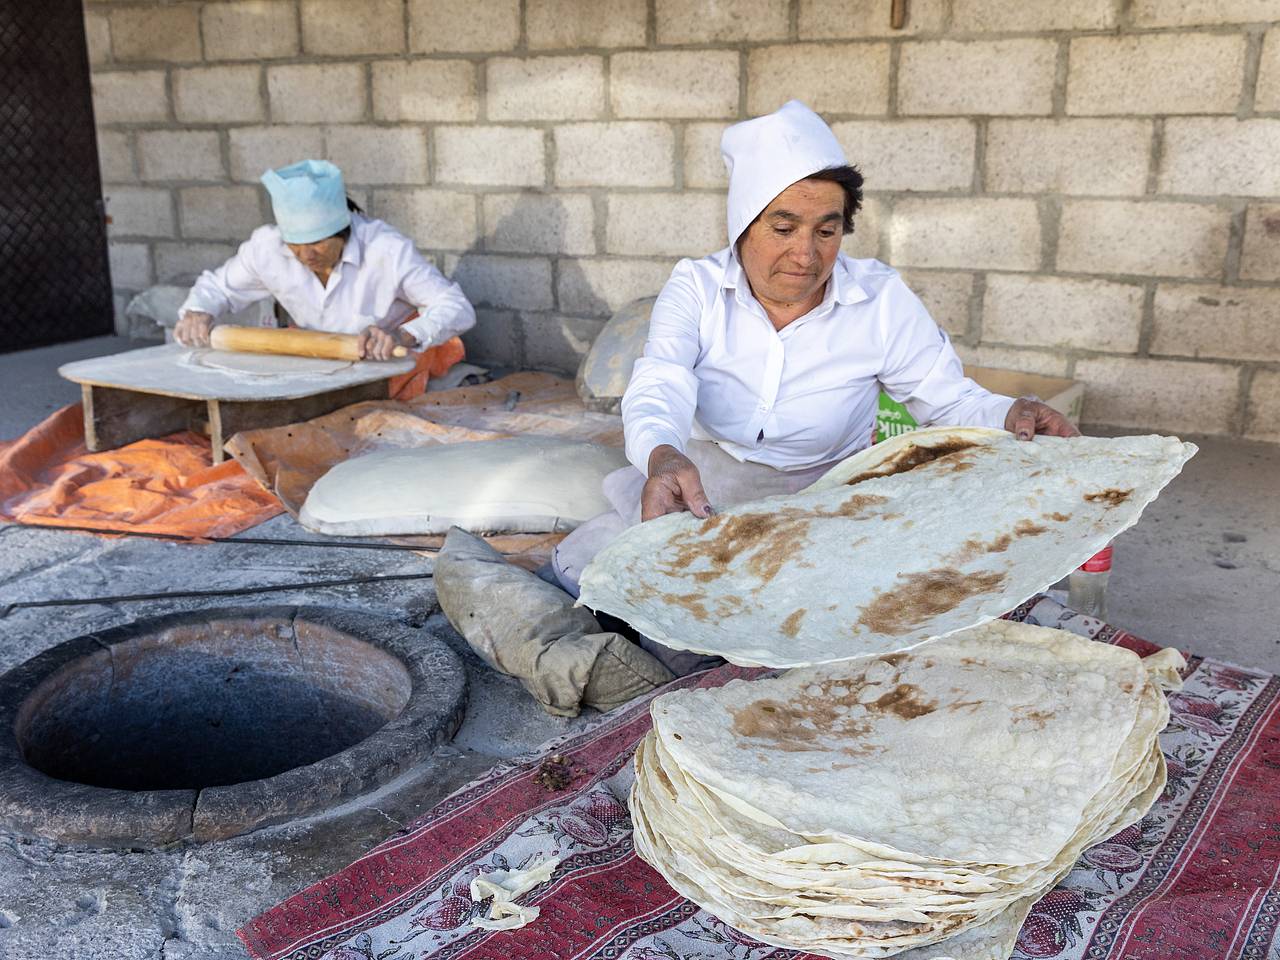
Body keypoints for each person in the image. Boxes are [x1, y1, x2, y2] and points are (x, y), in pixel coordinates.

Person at [433, 100, 1079, 713]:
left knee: (841, 623)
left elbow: (950, 399)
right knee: (596, 576)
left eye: (828, 230)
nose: (807, 254)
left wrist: (1008, 415)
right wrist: (661, 455)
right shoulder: (697, 289)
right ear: (743, 223)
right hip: (705, 493)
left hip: (828, 506)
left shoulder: (880, 302)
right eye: (784, 227)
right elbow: (660, 382)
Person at [173, 160, 474, 372]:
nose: (306, 255)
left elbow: (456, 306)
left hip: (387, 363)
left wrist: (402, 336)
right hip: (315, 360)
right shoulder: (268, 246)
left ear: (342, 230)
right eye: (295, 244)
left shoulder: (386, 248)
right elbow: (216, 287)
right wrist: (199, 311)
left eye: (317, 243)